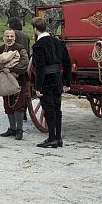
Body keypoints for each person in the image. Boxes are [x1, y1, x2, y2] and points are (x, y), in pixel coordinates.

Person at [31, 17, 72, 149]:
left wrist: (38, 87)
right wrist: (67, 82)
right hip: (57, 79)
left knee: (48, 109)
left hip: (46, 80)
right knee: (57, 108)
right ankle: (58, 138)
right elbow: (67, 63)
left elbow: (40, 67)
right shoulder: (58, 42)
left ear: (35, 29)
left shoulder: (38, 46)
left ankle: (52, 138)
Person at [0, 29, 29, 140]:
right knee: (7, 104)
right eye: (7, 36)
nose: (9, 38)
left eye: (11, 36)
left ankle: (19, 130)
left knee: (18, 105)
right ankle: (12, 129)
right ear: (3, 37)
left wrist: (11, 70)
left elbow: (25, 62)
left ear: (14, 38)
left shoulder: (20, 49)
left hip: (19, 80)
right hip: (4, 81)